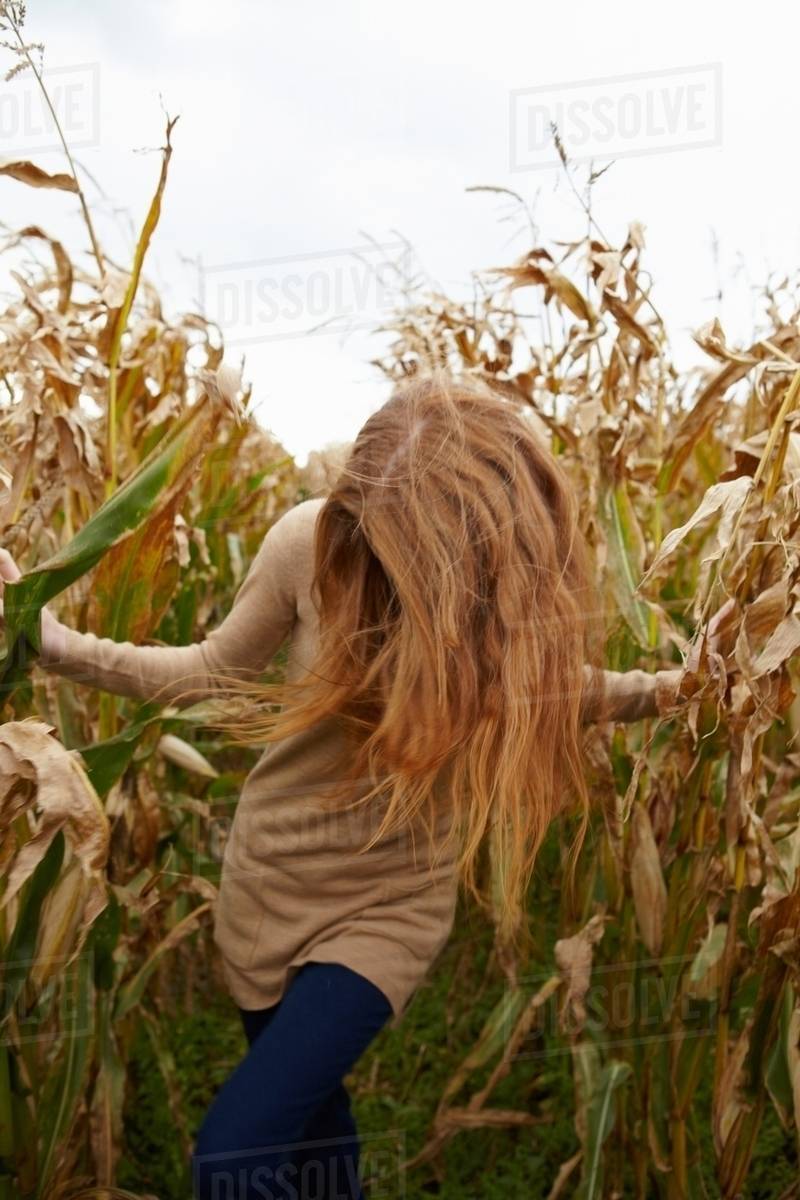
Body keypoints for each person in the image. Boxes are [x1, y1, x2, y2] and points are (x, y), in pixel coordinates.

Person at [0, 373, 685, 1200]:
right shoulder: (311, 541)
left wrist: (676, 687)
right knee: (313, 1128)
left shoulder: (484, 594)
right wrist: (49, 638)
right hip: (267, 890)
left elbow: (560, 689)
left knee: (231, 1156)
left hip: (390, 912)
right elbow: (213, 673)